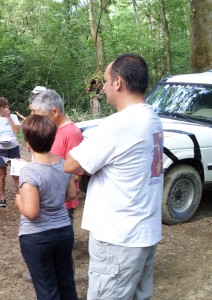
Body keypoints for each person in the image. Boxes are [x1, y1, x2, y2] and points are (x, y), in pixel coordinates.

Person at [64, 53, 163, 299]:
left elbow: (71, 164)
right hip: (143, 233)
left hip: (118, 239)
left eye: (106, 81)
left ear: (118, 82)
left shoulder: (119, 124)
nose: (104, 87)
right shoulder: (152, 119)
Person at [16, 114, 77, 300]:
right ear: (52, 138)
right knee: (66, 284)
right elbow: (72, 194)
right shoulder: (62, 163)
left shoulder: (29, 171)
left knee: (47, 289)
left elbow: (32, 212)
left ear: (28, 143)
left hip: (38, 237)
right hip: (64, 232)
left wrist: (18, 199)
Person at [28, 87, 83, 277]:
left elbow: (76, 171)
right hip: (46, 196)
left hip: (63, 199)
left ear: (54, 112)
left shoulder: (72, 133)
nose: (36, 119)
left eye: (39, 114)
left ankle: (67, 282)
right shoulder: (51, 129)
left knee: (64, 248)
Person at [0, 97, 21, 208]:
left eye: (7, 106)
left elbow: (16, 131)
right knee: (2, 175)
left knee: (16, 174)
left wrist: (8, 117)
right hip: (0, 148)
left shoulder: (14, 117)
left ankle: (18, 196)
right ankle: (2, 197)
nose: (5, 109)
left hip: (13, 147)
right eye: (3, 107)